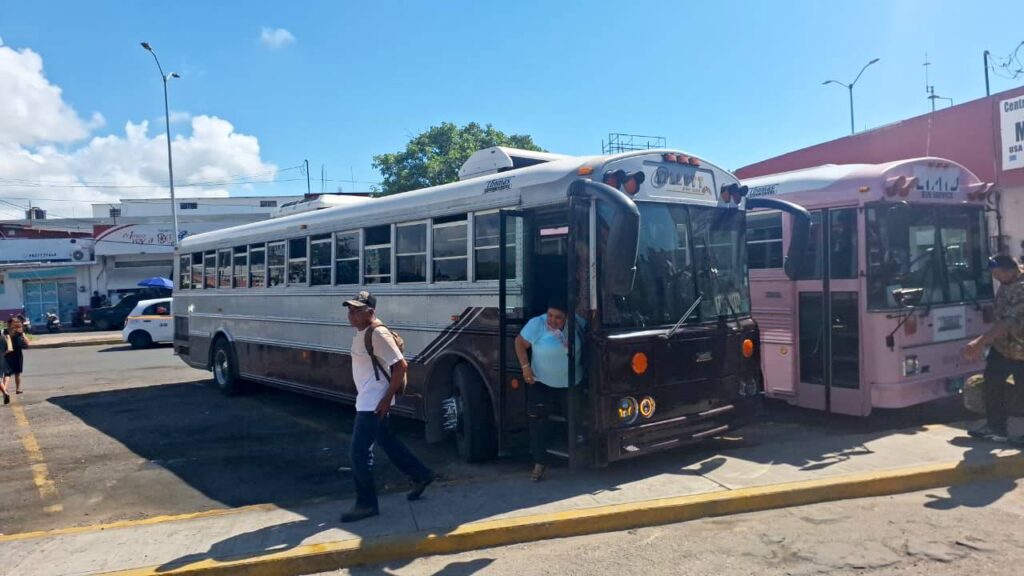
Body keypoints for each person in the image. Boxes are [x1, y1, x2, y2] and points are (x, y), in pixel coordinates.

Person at [340, 291, 434, 523]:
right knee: (388, 442)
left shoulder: (378, 333)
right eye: (349, 309)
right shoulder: (362, 332)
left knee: (359, 453)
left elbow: (401, 366)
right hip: (369, 399)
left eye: (356, 310)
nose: (350, 314)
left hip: (373, 403)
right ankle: (421, 474)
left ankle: (366, 504)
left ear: (370, 312)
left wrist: (385, 399)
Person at [515, 298, 584, 482]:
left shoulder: (577, 323)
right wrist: (525, 367)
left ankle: (578, 458)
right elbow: (519, 343)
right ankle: (540, 462)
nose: (552, 320)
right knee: (538, 422)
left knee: (575, 419)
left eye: (559, 318)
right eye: (550, 315)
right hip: (542, 383)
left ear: (568, 317)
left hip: (570, 383)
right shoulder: (537, 324)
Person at [964, 255, 1024, 445]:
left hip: (1021, 350)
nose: (996, 278)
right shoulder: (1008, 283)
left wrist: (980, 342)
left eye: (998, 274)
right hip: (1003, 348)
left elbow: (1010, 322)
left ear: (1010, 270)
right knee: (992, 382)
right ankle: (996, 428)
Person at [4, 317, 29, 395]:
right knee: (17, 373)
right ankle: (17, 389)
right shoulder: (19, 331)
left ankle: (5, 389)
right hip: (17, 353)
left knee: (7, 373)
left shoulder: (5, 331)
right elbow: (27, 342)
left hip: (7, 353)